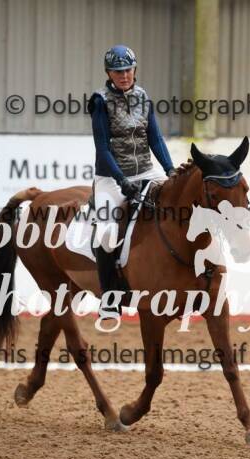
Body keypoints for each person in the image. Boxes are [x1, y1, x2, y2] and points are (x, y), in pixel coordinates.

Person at [87, 44, 175, 319]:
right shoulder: (100, 101)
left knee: (175, 205)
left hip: (146, 171)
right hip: (111, 178)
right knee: (105, 233)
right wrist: (121, 180)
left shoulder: (143, 97)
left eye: (128, 70)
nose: (124, 75)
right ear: (109, 73)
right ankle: (109, 299)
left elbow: (155, 138)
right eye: (118, 71)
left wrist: (170, 170)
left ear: (134, 69)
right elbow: (102, 147)